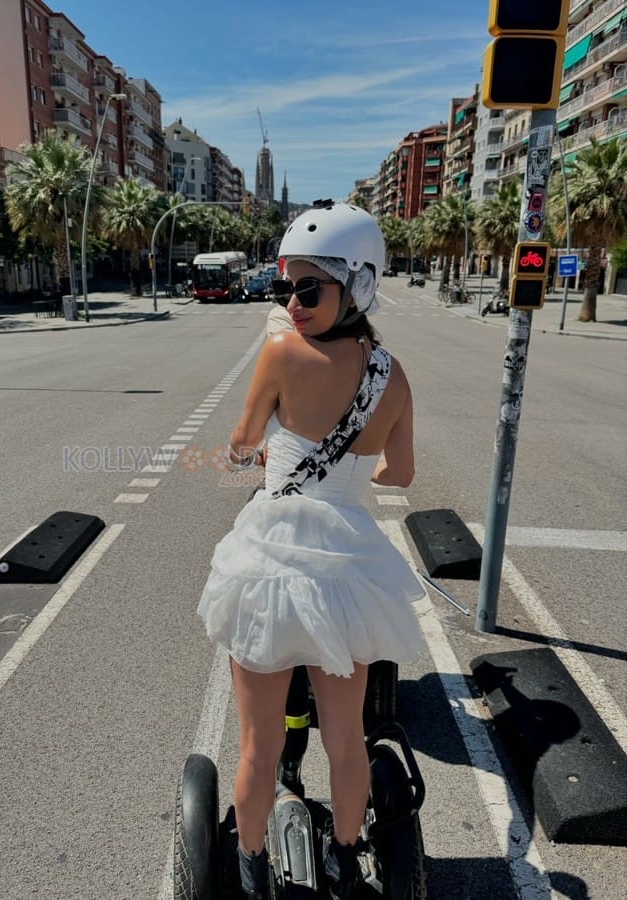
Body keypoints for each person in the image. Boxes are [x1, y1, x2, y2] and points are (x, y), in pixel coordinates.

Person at [197, 201, 425, 899]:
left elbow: (240, 445)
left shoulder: (279, 352)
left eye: (308, 288)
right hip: (348, 572)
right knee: (346, 740)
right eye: (284, 287)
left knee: (259, 749)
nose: (292, 303)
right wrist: (352, 477)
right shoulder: (393, 374)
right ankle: (350, 860)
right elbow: (402, 473)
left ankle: (251, 866)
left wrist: (267, 455)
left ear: (355, 285)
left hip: (270, 559)